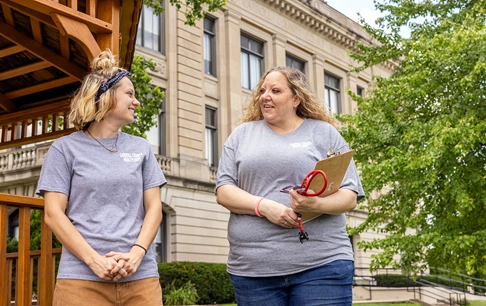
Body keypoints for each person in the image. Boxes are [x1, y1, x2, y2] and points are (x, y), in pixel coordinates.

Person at [216, 66, 364, 306]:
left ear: (296, 98)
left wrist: (316, 203)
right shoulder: (241, 135)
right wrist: (264, 207)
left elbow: (350, 195)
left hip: (322, 265)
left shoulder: (324, 133)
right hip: (253, 271)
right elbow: (223, 190)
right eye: (263, 90)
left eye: (275, 90)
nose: (265, 96)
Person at [36, 50, 166, 306]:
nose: (136, 102)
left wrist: (137, 254)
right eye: (129, 94)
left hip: (141, 279)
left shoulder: (141, 148)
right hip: (81, 282)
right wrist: (94, 261)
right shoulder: (64, 149)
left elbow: (155, 208)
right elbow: (53, 213)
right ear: (105, 97)